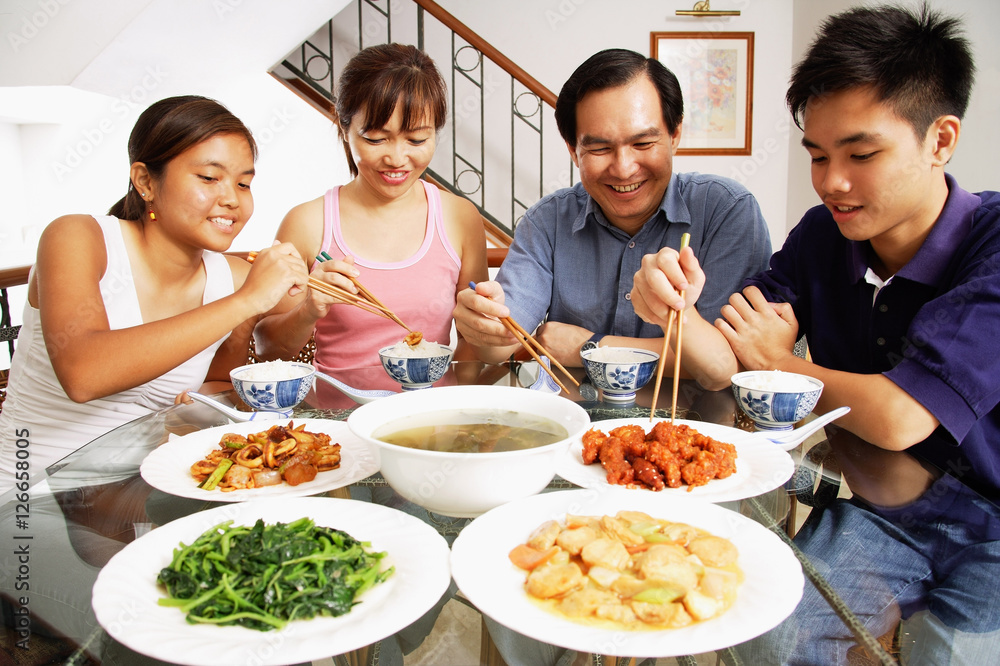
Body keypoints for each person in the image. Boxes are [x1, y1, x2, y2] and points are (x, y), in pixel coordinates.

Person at [632, 4, 1000, 662]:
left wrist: (780, 360)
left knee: (947, 652)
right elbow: (726, 362)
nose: (832, 182)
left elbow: (899, 416)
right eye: (818, 155)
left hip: (994, 517)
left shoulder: (992, 242)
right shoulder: (821, 237)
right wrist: (676, 309)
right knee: (769, 631)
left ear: (940, 140)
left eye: (861, 154)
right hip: (883, 510)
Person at [0, 95, 307, 489]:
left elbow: (221, 380)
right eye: (210, 178)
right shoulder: (78, 238)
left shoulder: (225, 274)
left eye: (244, 183)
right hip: (31, 496)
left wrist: (317, 299)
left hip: (145, 487)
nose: (232, 199)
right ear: (146, 181)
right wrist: (246, 300)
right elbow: (83, 373)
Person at [453, 48, 771, 390]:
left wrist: (588, 346)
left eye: (643, 142)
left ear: (675, 134)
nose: (623, 168)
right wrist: (484, 327)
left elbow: (727, 365)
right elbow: (501, 342)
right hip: (573, 430)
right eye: (600, 149)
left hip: (695, 428)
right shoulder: (548, 221)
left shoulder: (727, 211)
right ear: (573, 148)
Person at [252, 43, 487, 392]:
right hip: (338, 423)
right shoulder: (307, 223)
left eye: (417, 138)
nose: (397, 158)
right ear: (344, 130)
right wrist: (311, 308)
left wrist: (458, 405)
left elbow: (472, 339)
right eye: (376, 139)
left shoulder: (459, 217)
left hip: (431, 419)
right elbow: (269, 348)